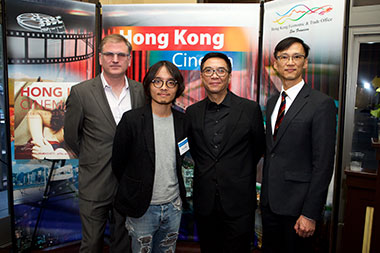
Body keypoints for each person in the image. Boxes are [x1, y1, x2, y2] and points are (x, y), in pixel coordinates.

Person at [64, 34, 145, 253]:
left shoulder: (141, 91)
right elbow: (71, 136)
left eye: (121, 55)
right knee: (91, 244)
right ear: (100, 58)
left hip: (128, 182)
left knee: (123, 243)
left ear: (129, 60)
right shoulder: (81, 93)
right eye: (109, 54)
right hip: (95, 181)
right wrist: (93, 157)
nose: (115, 59)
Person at [260, 37, 337, 253]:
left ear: (305, 63)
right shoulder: (273, 102)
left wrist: (310, 213)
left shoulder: (321, 104)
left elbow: (323, 164)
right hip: (270, 205)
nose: (290, 62)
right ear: (275, 64)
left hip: (298, 210)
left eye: (296, 57)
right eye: (284, 57)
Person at [186, 52, 265, 253]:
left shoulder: (249, 109)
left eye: (221, 70)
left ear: (229, 76)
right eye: (209, 71)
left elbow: (257, 149)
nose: (215, 75)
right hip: (205, 202)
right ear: (202, 76)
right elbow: (196, 151)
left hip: (239, 202)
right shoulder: (192, 112)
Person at [112, 60, 188, 253]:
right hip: (142, 208)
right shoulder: (132, 120)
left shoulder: (183, 121)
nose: (164, 88)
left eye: (171, 82)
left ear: (178, 87)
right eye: (158, 81)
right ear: (148, 85)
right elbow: (118, 163)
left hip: (173, 206)